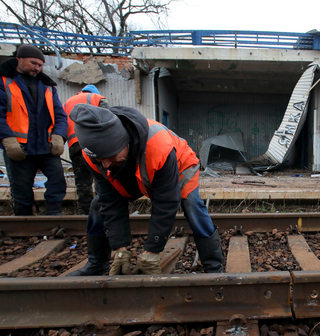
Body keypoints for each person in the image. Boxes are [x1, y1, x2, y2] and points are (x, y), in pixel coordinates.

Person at [66, 104, 224, 276]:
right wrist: (120, 248)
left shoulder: (159, 146)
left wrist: (152, 250)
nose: (105, 165)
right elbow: (110, 202)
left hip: (178, 166)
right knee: (98, 205)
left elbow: (165, 202)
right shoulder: (95, 157)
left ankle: (214, 266)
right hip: (134, 170)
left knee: (192, 204)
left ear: (123, 142)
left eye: (109, 157)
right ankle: (97, 264)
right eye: (99, 159)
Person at [0, 44, 68, 215]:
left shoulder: (47, 86)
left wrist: (59, 136)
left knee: (57, 180)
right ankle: (24, 223)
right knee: (21, 189)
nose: (37, 68)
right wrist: (7, 139)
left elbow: (60, 115)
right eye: (33, 63)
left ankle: (54, 217)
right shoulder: (4, 82)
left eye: (40, 65)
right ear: (19, 60)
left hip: (45, 147)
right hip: (19, 146)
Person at [63, 85, 108, 214]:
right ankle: (105, 208)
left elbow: (60, 123)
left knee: (82, 182)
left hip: (75, 145)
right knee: (102, 177)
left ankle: (85, 212)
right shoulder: (97, 98)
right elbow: (108, 118)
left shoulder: (67, 103)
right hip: (95, 143)